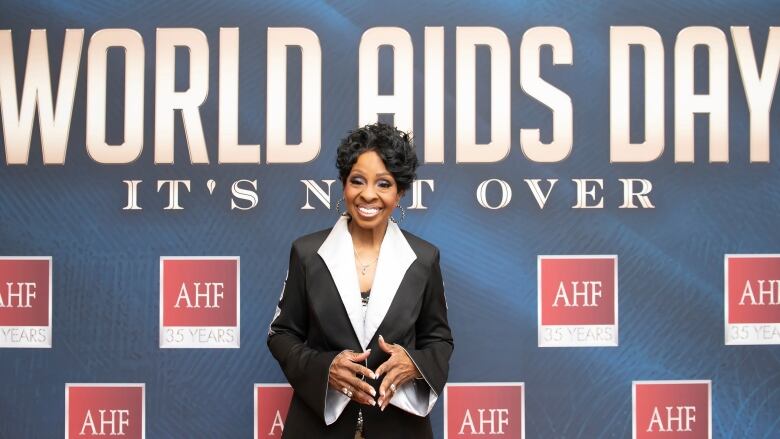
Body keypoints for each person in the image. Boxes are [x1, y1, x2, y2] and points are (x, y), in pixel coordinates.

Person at [267, 123, 453, 438]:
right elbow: (281, 334)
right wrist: (326, 368)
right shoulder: (308, 253)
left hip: (400, 426)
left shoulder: (423, 258)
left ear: (400, 192)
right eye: (358, 181)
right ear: (343, 184)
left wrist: (414, 363)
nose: (368, 194)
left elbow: (439, 340)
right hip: (317, 426)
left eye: (384, 183)